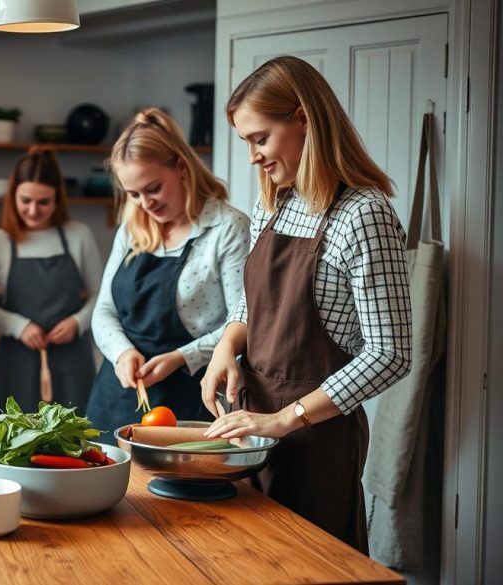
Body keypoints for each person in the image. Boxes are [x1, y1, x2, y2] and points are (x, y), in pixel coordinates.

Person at [201, 55, 412, 553]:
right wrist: (224, 348)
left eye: (260, 138)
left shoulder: (364, 214)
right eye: (246, 142)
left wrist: (284, 420)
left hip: (315, 441)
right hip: (248, 428)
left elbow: (391, 353)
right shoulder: (274, 201)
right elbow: (251, 304)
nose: (253, 157)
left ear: (303, 119)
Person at [86, 108, 250, 439]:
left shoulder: (227, 227)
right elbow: (103, 310)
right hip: (116, 391)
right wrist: (122, 352)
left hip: (190, 394)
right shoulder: (131, 228)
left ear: (181, 167)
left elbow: (243, 321)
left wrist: (181, 357)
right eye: (133, 194)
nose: (144, 203)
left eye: (153, 188)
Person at [0, 147, 104, 413]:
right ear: (13, 196)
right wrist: (18, 326)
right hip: (18, 359)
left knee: (76, 439)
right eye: (25, 200)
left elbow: (101, 295)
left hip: (72, 358)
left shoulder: (78, 235)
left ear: (58, 199)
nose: (33, 210)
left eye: (43, 202)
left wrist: (77, 322)